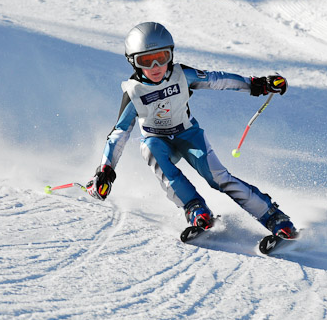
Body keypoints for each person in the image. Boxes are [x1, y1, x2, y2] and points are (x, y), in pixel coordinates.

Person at [86, 22, 297, 239]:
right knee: (151, 149)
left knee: (218, 177)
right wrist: (105, 172)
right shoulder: (134, 92)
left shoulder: (182, 75)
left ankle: (274, 218)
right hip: (157, 140)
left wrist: (257, 84)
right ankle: (196, 210)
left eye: (163, 56)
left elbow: (217, 80)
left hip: (188, 135)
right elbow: (120, 133)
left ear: (172, 54)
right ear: (134, 62)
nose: (157, 66)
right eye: (146, 61)